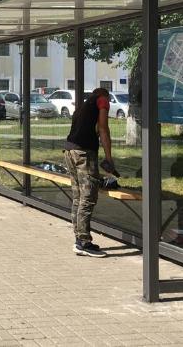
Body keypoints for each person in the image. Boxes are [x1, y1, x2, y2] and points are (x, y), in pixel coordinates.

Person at [63, 87, 115, 258]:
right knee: (88, 197)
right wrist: (109, 158)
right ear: (105, 96)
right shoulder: (102, 100)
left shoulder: (84, 106)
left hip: (70, 151)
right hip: (84, 153)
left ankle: (79, 239)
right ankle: (84, 242)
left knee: (78, 197)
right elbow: (103, 129)